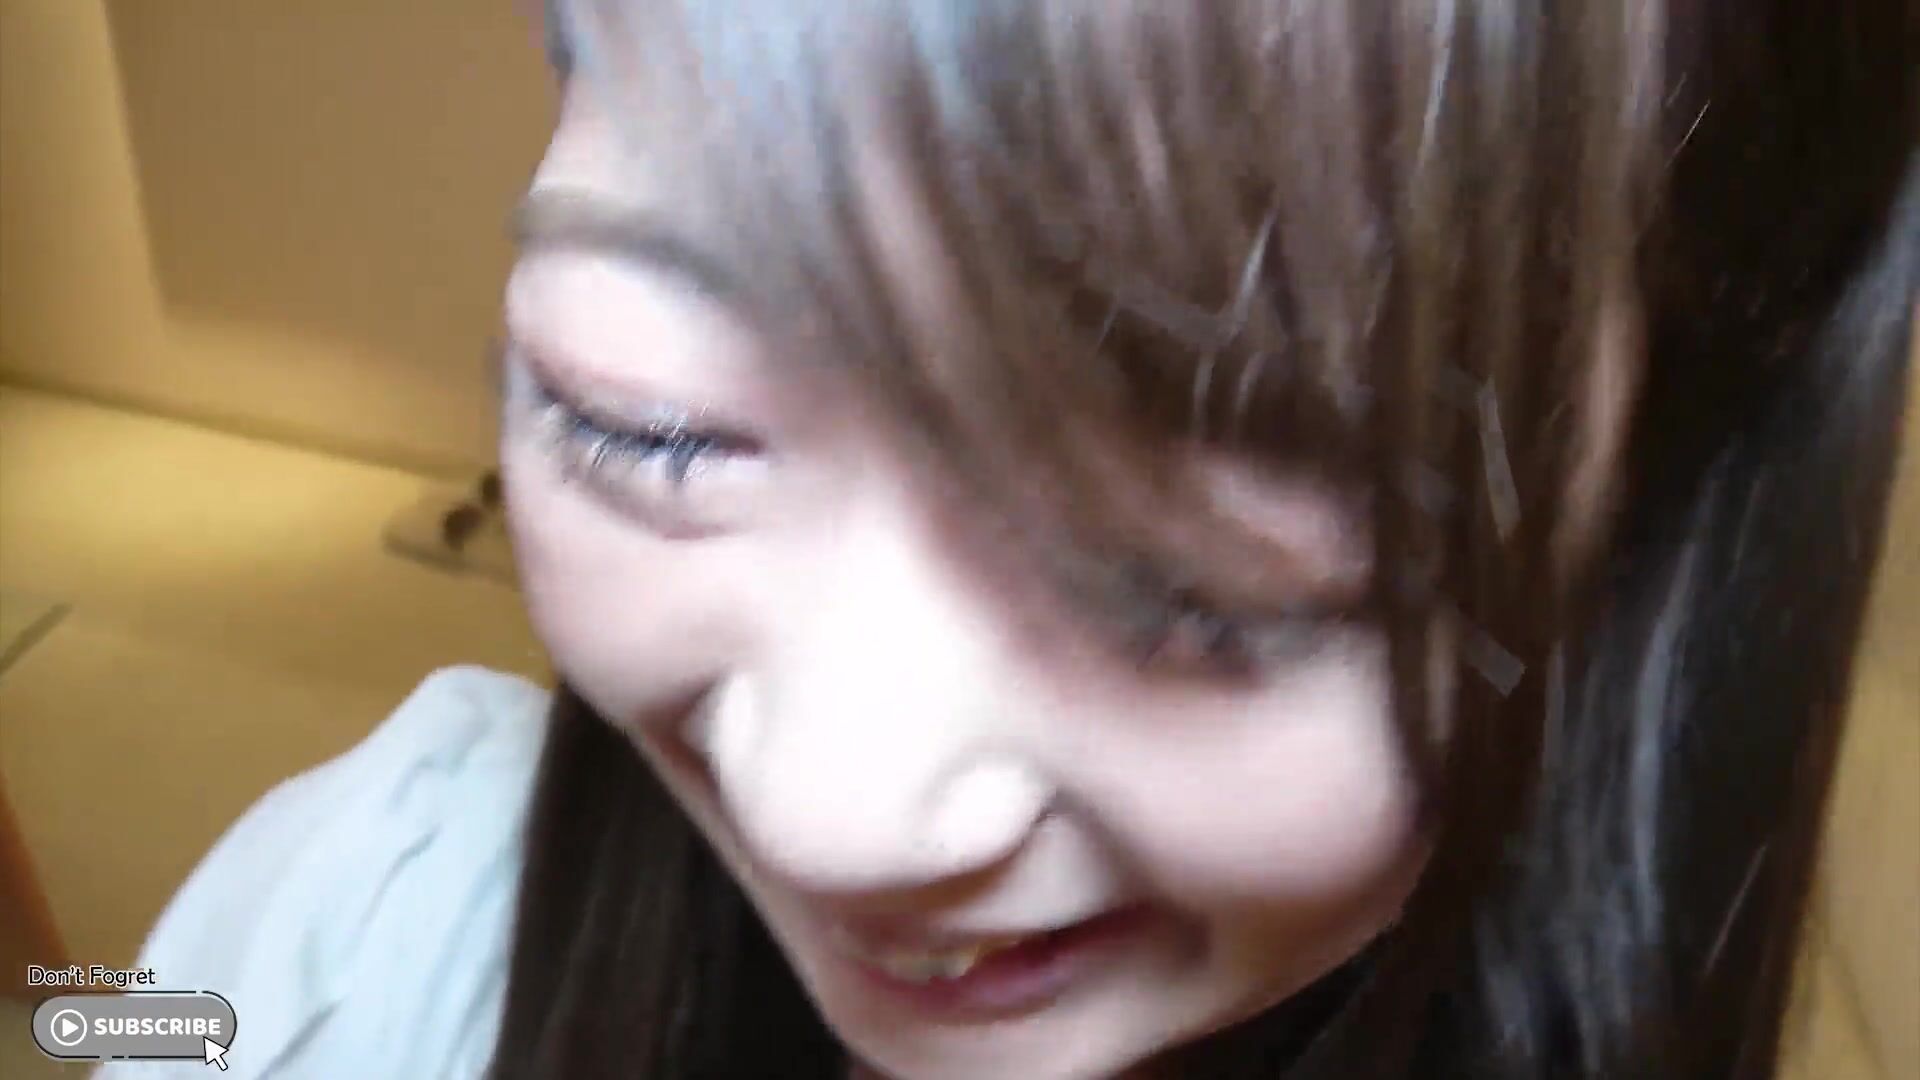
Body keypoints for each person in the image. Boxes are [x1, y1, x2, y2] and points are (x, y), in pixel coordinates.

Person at [113, 0, 1916, 1077]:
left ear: (1647, 506)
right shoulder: (359, 910)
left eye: (1195, 580)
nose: (831, 810)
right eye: (645, 424)